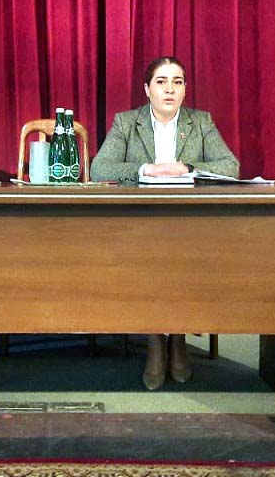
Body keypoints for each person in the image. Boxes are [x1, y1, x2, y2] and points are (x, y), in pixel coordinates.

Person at [91, 56, 240, 390]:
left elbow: (230, 166)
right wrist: (146, 169)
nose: (170, 89)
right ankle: (156, 340)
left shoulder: (200, 122)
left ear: (185, 89)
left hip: (189, 224)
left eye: (178, 82)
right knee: (149, 258)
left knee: (184, 258)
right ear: (147, 90)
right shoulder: (126, 122)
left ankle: (179, 337)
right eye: (161, 82)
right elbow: (100, 168)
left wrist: (187, 167)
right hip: (139, 224)